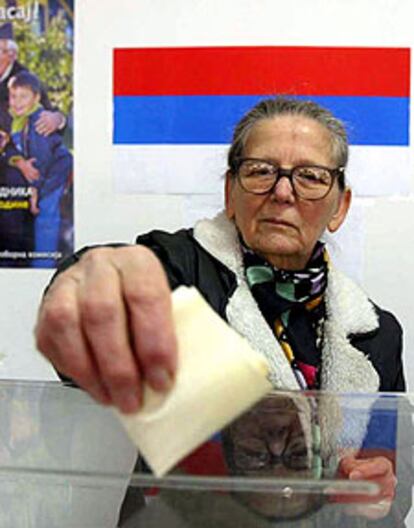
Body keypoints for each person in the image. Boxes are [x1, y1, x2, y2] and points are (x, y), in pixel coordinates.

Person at [35, 96, 407, 522]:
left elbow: (394, 473)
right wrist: (89, 281)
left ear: (339, 206)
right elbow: (112, 285)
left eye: (310, 176)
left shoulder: (377, 334)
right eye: (260, 171)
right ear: (230, 192)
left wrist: (377, 495)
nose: (282, 192)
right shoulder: (183, 268)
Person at [5, 71, 72, 268]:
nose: (17, 102)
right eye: (13, 96)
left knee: (46, 217)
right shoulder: (18, 120)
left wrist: (35, 191)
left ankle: (43, 265)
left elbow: (40, 161)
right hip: (45, 173)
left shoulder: (38, 123)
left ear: (36, 98)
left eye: (23, 96)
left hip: (53, 173)